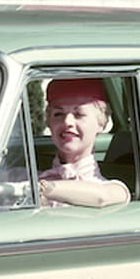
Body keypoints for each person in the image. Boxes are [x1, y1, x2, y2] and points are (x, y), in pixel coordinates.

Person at [38, 77, 132, 208]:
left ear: (101, 123)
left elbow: (101, 197)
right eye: (58, 114)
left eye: (79, 114)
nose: (67, 122)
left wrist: (41, 188)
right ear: (48, 122)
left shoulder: (110, 187)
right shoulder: (24, 175)